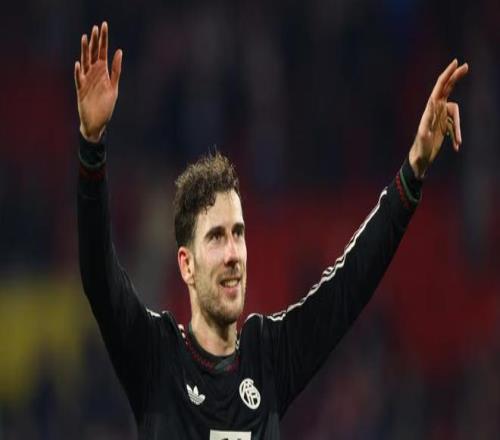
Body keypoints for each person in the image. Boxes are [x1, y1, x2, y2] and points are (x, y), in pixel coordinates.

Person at [75, 21, 468, 439]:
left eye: (238, 233)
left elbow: (350, 283)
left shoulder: (269, 356)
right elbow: (99, 275)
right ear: (186, 264)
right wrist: (91, 144)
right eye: (216, 237)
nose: (233, 253)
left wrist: (414, 168)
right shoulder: (156, 357)